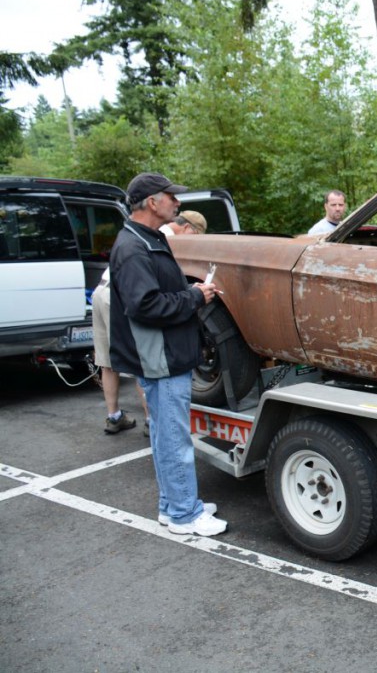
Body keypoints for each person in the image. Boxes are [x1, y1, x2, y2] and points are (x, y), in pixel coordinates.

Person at [109, 172, 227, 537]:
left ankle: (172, 504)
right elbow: (144, 304)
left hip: (164, 353)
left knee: (165, 434)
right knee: (174, 438)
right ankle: (184, 514)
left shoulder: (148, 237)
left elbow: (158, 289)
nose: (178, 202)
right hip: (159, 358)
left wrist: (187, 287)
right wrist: (195, 297)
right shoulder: (132, 248)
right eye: (170, 196)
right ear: (150, 202)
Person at [93, 266, 149, 435]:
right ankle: (151, 420)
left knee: (107, 362)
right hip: (118, 295)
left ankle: (114, 417)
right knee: (139, 361)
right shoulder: (167, 240)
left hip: (101, 291)